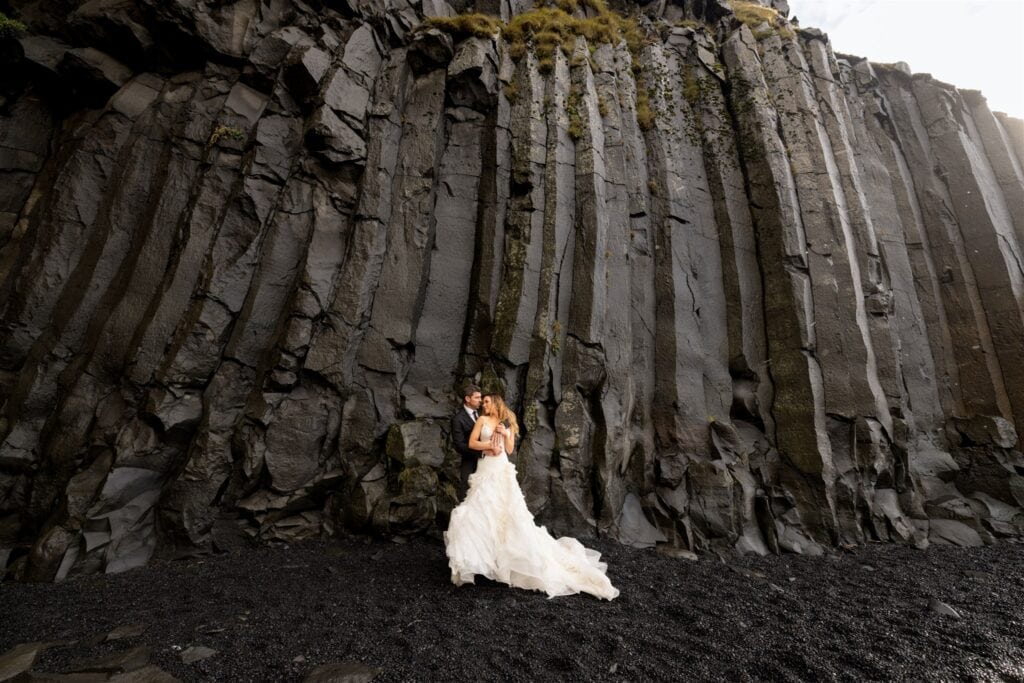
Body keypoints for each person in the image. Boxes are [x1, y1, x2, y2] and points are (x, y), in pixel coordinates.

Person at [444, 393, 619, 600]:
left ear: (496, 403)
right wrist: (488, 446)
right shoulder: (481, 420)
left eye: (487, 401)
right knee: (478, 511)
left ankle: (505, 560)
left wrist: (506, 434)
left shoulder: (504, 422)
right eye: (482, 402)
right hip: (485, 469)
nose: (484, 404)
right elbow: (472, 443)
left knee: (506, 513)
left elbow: (509, 449)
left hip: (501, 468)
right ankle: (480, 560)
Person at [451, 384, 484, 501]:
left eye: (480, 397)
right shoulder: (458, 419)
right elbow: (459, 445)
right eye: (477, 398)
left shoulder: (484, 413)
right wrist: (481, 451)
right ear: (467, 399)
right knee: (467, 495)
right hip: (470, 462)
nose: (481, 401)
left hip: (488, 462)